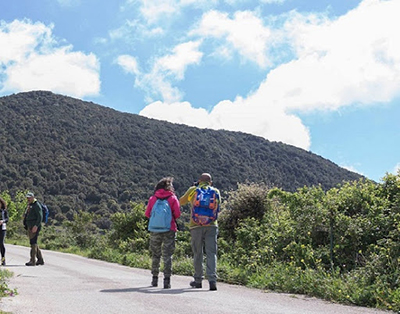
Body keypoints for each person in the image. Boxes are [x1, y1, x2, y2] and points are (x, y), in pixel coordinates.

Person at [179, 173, 221, 291]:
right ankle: (212, 280)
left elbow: (180, 202)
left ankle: (198, 280)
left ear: (199, 181)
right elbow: (218, 206)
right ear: (210, 182)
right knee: (211, 253)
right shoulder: (216, 191)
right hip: (212, 225)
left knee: (198, 253)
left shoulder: (193, 190)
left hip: (195, 225)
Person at [145, 177, 181, 289]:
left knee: (155, 254)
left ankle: (154, 279)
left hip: (155, 229)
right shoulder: (173, 198)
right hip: (169, 229)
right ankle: (167, 281)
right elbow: (178, 214)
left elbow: (147, 214)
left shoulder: (153, 199)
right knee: (167, 255)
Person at [24, 192, 44, 266]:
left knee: (33, 243)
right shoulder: (30, 205)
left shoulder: (36, 205)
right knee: (34, 242)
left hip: (34, 226)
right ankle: (40, 259)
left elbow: (40, 216)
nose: (28, 199)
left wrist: (36, 226)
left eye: (29, 197)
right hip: (30, 226)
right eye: (27, 197)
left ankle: (32, 261)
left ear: (33, 197)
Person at [0, 197, 9, 266]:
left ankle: (3, 259)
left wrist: (3, 221)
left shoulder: (4, 211)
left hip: (2, 228)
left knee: (1, 243)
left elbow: (7, 218)